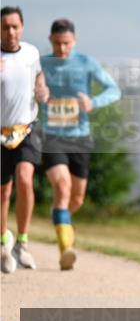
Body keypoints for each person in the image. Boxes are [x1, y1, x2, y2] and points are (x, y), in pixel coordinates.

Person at [40, 18, 121, 270]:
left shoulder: (86, 63)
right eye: (57, 44)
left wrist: (93, 102)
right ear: (50, 41)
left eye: (66, 44)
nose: (62, 49)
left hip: (80, 137)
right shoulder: (40, 64)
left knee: (75, 199)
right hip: (51, 136)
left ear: (74, 41)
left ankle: (62, 220)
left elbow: (113, 90)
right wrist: (37, 94)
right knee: (62, 186)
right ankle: (66, 249)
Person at [1, 6, 48, 274]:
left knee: (25, 178)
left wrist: (42, 88)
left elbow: (38, 76)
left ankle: (23, 242)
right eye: (5, 27)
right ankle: (2, 242)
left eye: (15, 26)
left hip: (27, 129)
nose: (10, 31)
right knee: (3, 191)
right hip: (0, 132)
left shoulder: (31, 53)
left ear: (22, 27)